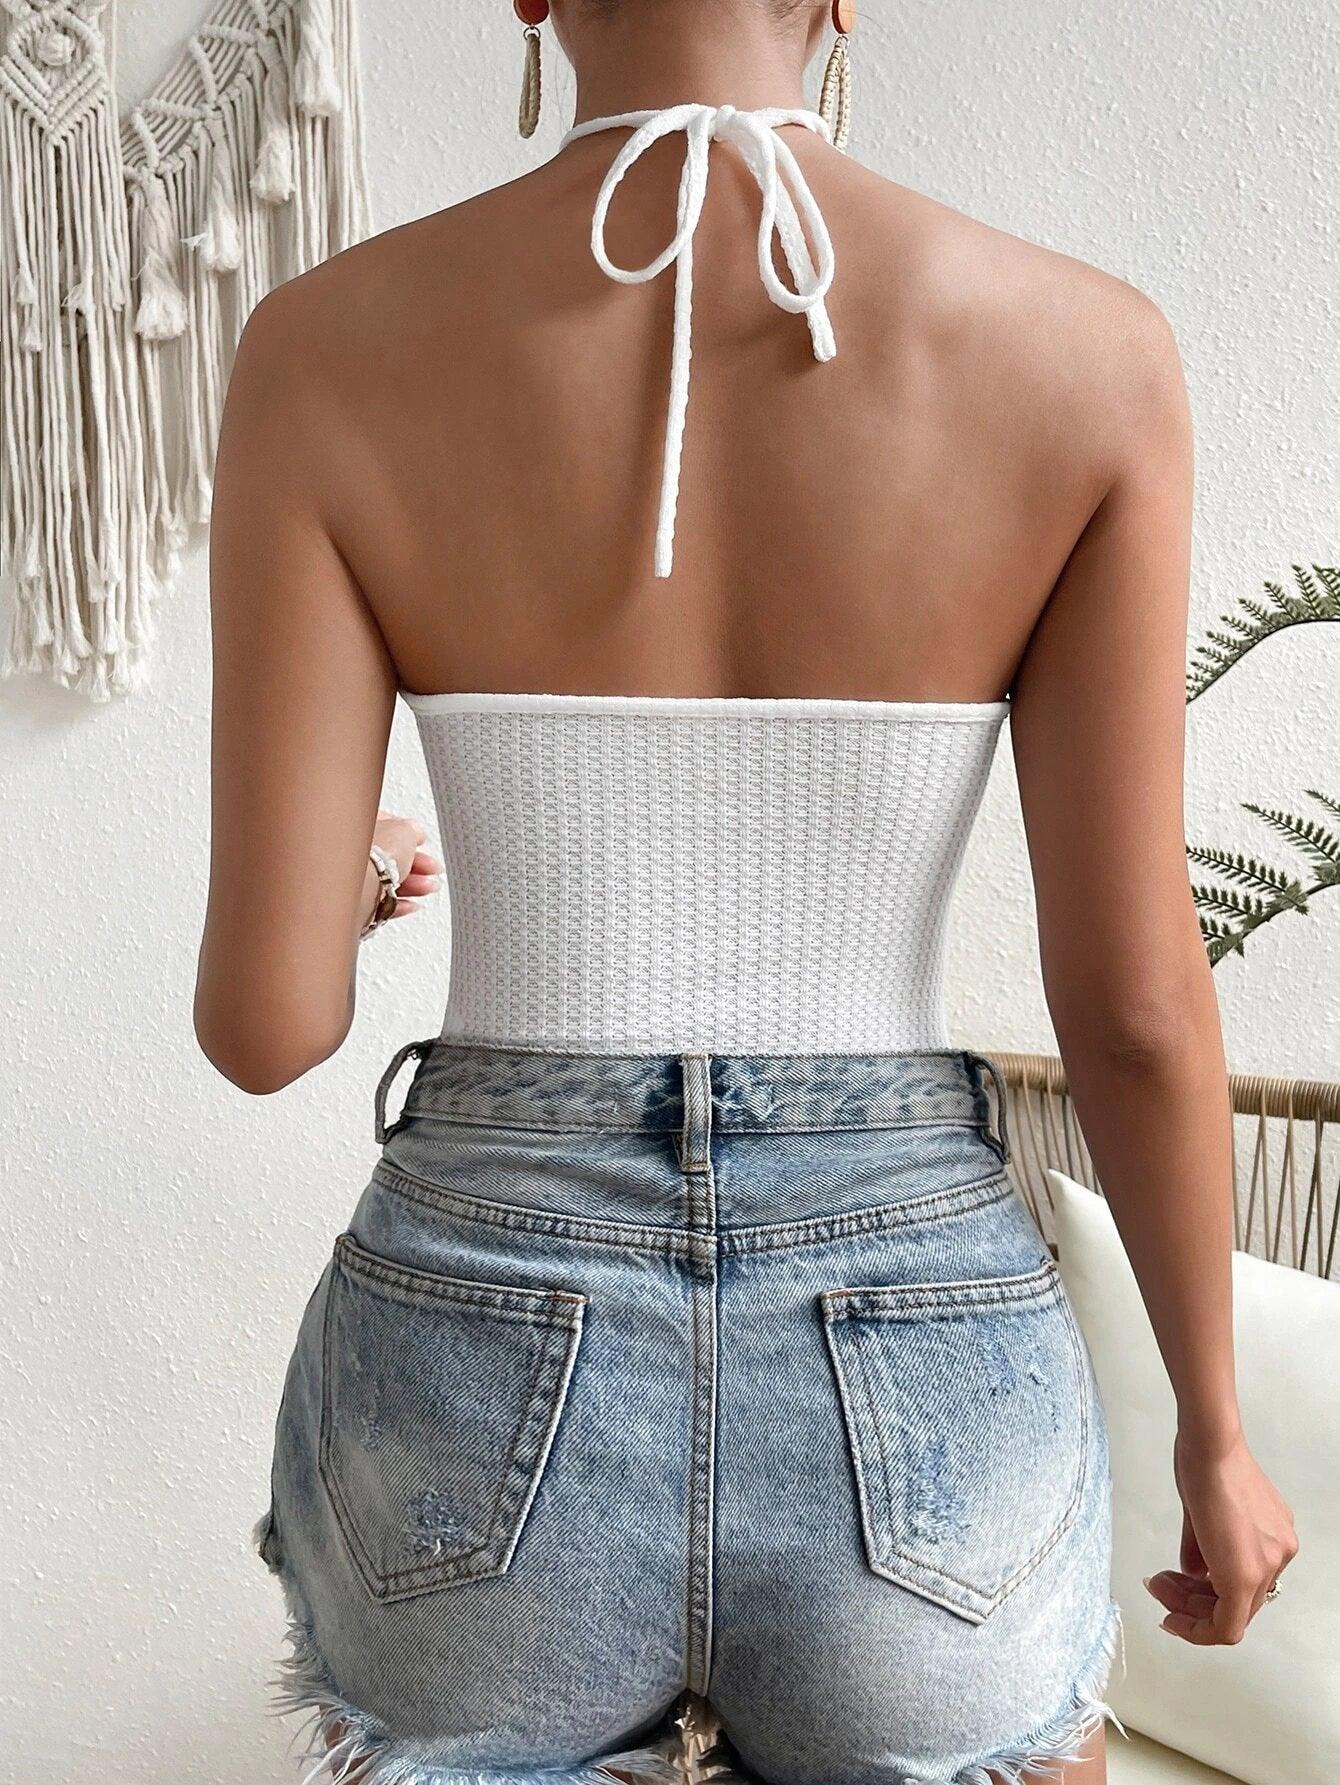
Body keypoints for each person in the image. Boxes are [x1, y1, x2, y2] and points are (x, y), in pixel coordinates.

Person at [195, 2, 1297, 1781]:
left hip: (480, 1346)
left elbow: (265, 1028)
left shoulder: (325, 348)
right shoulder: (1091, 355)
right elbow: (1137, 1006)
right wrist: (1215, 1435)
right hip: (914, 1345)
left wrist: (361, 872)